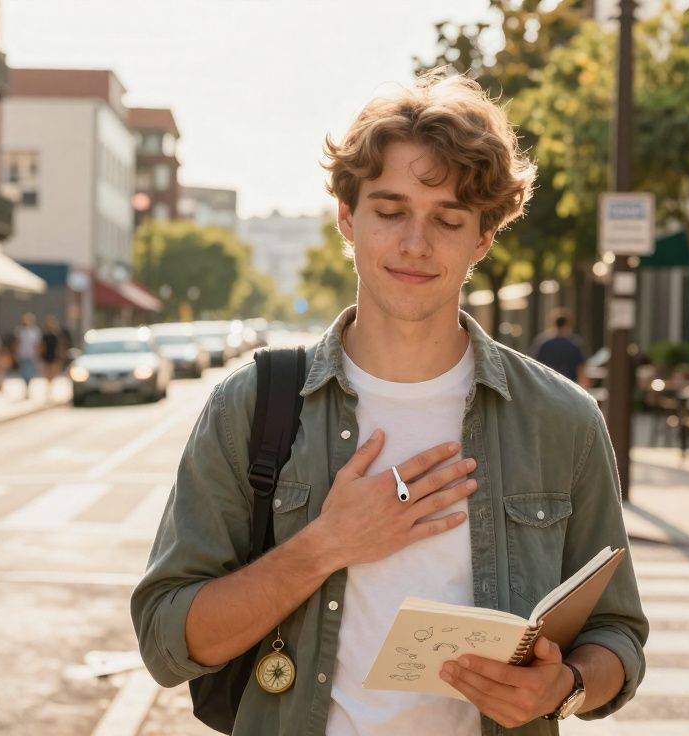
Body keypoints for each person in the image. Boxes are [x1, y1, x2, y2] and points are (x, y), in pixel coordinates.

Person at [132, 71, 647, 735]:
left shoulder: (560, 419)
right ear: (348, 218)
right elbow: (166, 641)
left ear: (482, 239)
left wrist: (565, 687)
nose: (414, 244)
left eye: (448, 219)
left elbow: (618, 635)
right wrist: (324, 545)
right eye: (391, 210)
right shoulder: (252, 405)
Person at [529, 309, 590, 387]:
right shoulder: (575, 344)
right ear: (568, 324)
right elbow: (582, 371)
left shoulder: (542, 343)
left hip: (547, 387)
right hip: (569, 388)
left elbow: (533, 366)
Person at [13, 312, 41, 399]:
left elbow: (37, 345)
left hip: (31, 355)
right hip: (22, 355)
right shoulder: (20, 331)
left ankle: (28, 388)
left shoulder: (35, 331)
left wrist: (38, 355)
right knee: (24, 372)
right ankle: (25, 387)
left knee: (30, 372)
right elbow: (16, 343)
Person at [40, 314, 67, 395]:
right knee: (47, 373)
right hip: (46, 356)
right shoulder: (44, 335)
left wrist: (61, 355)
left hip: (54, 356)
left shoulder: (57, 335)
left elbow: (60, 346)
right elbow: (42, 346)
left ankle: (51, 387)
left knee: (53, 373)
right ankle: (49, 387)